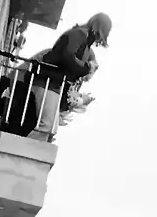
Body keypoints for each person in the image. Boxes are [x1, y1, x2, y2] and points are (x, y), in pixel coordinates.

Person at [30, 13, 112, 141]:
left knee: (51, 130)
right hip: (47, 81)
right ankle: (26, 150)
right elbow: (68, 58)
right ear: (97, 28)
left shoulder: (83, 41)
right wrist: (87, 68)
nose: (98, 41)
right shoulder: (79, 35)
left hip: (54, 83)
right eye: (99, 36)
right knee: (47, 126)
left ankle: (31, 151)